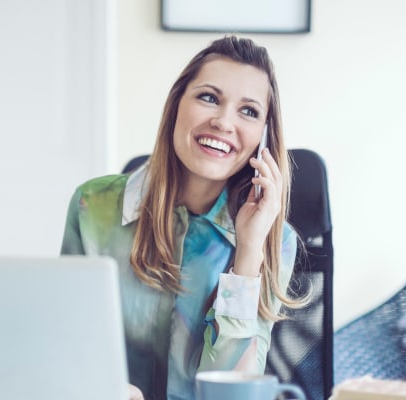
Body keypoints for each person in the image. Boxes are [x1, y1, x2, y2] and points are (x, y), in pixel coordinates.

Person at [60, 36, 301, 400]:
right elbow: (65, 348)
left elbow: (230, 395)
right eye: (209, 97)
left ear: (263, 139)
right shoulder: (93, 206)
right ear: (176, 106)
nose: (223, 122)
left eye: (248, 111)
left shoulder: (273, 240)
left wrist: (248, 254)